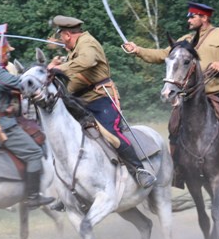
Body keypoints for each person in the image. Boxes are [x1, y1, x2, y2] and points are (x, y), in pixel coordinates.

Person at [123, 1, 219, 183]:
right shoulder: (186, 40)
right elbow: (163, 55)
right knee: (174, 125)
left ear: (204, 18)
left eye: (192, 16)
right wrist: (138, 50)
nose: (188, 20)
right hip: (193, 95)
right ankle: (177, 170)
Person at [47, 15, 157, 188]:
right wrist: (56, 64)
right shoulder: (75, 48)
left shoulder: (87, 43)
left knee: (110, 133)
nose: (61, 40)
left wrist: (59, 68)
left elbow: (87, 61)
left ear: (67, 35)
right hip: (80, 101)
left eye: (61, 36)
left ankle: (138, 170)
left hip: (100, 98)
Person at [0, 29, 55, 209]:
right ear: (0, 54)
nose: (8, 56)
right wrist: (46, 71)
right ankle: (32, 197)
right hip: (4, 125)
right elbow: (22, 84)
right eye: (6, 52)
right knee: (34, 153)